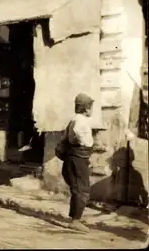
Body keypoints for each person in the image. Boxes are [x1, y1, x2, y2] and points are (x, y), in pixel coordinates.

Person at [61, 93, 95, 233]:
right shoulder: (80, 121)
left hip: (76, 158)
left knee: (78, 189)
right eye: (91, 107)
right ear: (86, 108)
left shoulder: (76, 119)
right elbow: (78, 133)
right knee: (82, 189)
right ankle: (75, 221)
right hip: (77, 159)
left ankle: (75, 218)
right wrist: (85, 144)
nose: (92, 110)